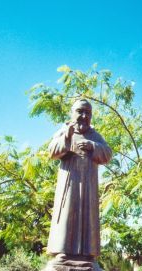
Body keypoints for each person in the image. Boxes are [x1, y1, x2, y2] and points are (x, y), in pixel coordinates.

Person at [47, 99, 112, 259]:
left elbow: (107, 154)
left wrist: (93, 146)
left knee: (88, 214)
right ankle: (62, 250)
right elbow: (52, 151)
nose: (84, 116)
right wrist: (67, 138)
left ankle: (88, 253)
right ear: (72, 113)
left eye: (87, 113)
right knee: (66, 212)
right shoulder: (65, 130)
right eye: (80, 111)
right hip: (69, 182)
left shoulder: (94, 135)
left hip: (89, 184)